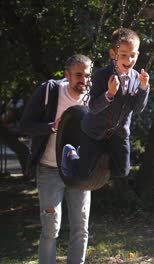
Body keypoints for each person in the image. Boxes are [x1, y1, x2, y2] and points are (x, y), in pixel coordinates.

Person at [20, 54, 93, 264]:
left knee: (81, 228)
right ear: (67, 74)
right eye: (79, 75)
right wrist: (52, 126)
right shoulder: (49, 91)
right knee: (51, 229)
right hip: (49, 170)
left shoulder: (92, 97)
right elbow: (25, 124)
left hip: (80, 172)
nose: (84, 80)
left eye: (87, 76)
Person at [61, 28, 149, 180]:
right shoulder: (101, 76)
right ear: (113, 54)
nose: (128, 61)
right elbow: (93, 108)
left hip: (119, 132)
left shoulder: (138, 78)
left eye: (132, 56)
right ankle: (70, 155)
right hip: (94, 130)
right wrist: (110, 93)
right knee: (82, 174)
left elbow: (137, 109)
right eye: (123, 55)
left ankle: (100, 156)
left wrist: (143, 88)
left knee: (122, 171)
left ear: (138, 54)